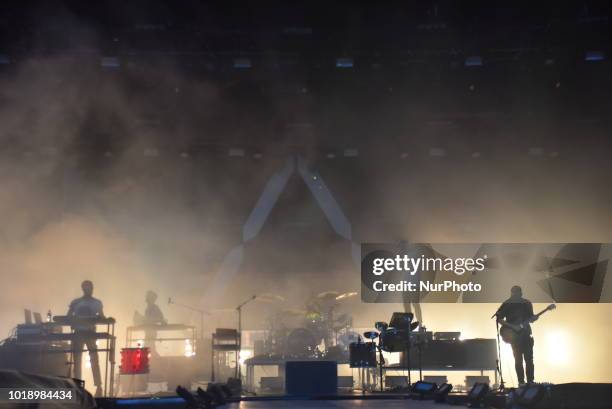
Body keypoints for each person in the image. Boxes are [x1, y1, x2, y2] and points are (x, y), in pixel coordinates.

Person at [67, 280, 104, 396]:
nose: (88, 290)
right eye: (86, 288)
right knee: (78, 359)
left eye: (89, 288)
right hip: (79, 333)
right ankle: (78, 385)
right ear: (83, 288)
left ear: (92, 289)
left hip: (90, 332)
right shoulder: (76, 302)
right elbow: (68, 316)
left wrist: (103, 318)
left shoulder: (97, 303)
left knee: (93, 359)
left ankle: (98, 386)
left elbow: (102, 317)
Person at [495, 285, 538, 385]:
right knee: (518, 360)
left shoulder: (527, 303)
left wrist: (534, 318)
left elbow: (531, 318)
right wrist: (513, 327)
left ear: (521, 293)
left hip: (526, 334)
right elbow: (499, 319)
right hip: (514, 337)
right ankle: (521, 382)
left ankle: (530, 381)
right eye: (514, 293)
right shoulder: (507, 304)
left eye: (518, 293)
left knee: (529, 359)